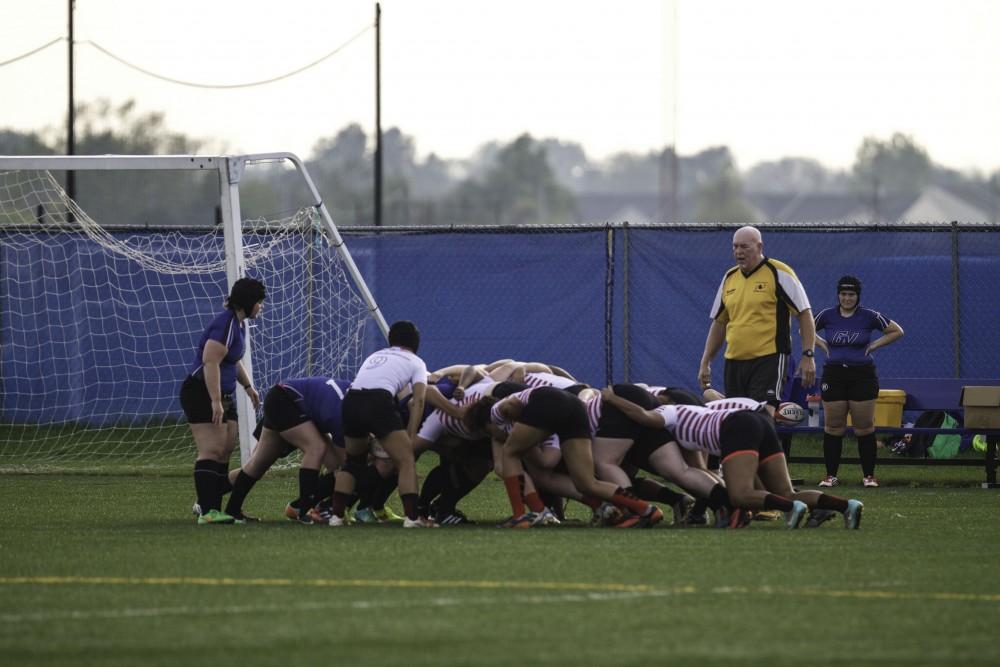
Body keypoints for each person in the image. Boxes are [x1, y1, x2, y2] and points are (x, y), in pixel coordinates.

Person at [600, 389, 865, 529]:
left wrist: (614, 399)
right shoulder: (691, 418)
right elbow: (701, 471)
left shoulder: (669, 410)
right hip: (757, 423)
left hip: (737, 427)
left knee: (740, 495)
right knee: (784, 491)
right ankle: (846, 505)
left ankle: (790, 509)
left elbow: (645, 417)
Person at [329, 320, 436, 528]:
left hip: (351, 400)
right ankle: (412, 519)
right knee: (406, 461)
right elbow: (418, 400)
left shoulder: (375, 355)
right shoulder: (416, 362)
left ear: (391, 340)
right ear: (416, 342)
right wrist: (411, 435)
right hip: (378, 400)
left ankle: (336, 516)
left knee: (353, 462)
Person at [698, 225, 817, 409]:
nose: (739, 252)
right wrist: (706, 361)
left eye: (744, 247)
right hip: (734, 362)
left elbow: (804, 313)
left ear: (759, 247)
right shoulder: (729, 278)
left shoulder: (779, 273)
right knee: (737, 418)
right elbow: (720, 322)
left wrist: (808, 355)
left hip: (769, 359)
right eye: (735, 246)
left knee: (763, 415)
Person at [179, 277, 265, 525]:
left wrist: (248, 387)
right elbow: (210, 361)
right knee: (212, 449)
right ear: (247, 302)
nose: (261, 307)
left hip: (223, 395)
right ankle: (207, 511)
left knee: (225, 449)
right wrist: (215, 401)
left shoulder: (238, 325)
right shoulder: (225, 323)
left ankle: (214, 508)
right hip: (200, 392)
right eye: (258, 302)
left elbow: (232, 359)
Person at [814, 275, 904, 488]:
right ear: (838, 295)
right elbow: (804, 329)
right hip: (834, 375)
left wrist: (873, 346)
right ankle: (830, 476)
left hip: (862, 376)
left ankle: (869, 476)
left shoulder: (869, 316)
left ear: (857, 296)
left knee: (863, 427)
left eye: (851, 294)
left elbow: (897, 331)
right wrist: (824, 346)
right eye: (843, 294)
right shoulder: (827, 315)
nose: (847, 298)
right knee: (834, 426)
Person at [224, 377, 349, 523]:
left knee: (258, 463)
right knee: (316, 448)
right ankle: (303, 510)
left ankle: (223, 504)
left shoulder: (353, 400)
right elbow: (346, 463)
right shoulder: (341, 415)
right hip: (284, 400)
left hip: (287, 399)